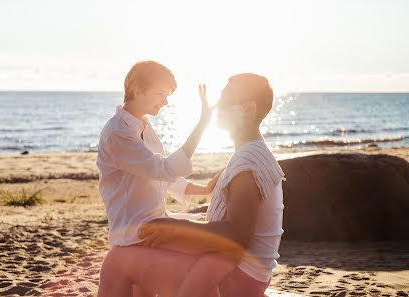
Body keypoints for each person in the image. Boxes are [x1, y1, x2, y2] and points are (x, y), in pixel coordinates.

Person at [99, 73, 285, 297]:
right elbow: (157, 172)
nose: (216, 105)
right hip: (240, 271)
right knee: (142, 252)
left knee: (116, 261)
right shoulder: (252, 152)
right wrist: (185, 225)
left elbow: (237, 236)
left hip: (236, 279)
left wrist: (176, 230)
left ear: (248, 109)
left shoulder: (248, 162)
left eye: (225, 98)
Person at [96, 60, 233, 297]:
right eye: (160, 93)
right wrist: (202, 124)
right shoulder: (118, 131)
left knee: (203, 219)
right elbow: (162, 169)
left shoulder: (143, 126)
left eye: (167, 95)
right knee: (209, 245)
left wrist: (204, 189)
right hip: (135, 231)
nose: (166, 101)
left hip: (153, 219)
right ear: (137, 90)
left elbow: (160, 177)